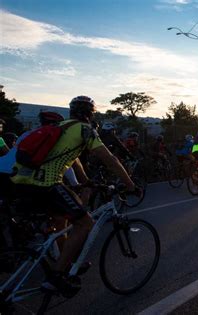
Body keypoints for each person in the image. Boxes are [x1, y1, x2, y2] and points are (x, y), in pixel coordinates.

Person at [11, 96, 140, 297]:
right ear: (90, 113)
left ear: (71, 111)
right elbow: (110, 159)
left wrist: (86, 180)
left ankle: (66, 261)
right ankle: (55, 277)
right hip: (46, 185)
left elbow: (74, 158)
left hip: (20, 182)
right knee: (85, 223)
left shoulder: (60, 126)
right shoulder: (85, 129)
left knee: (61, 219)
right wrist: (131, 185)